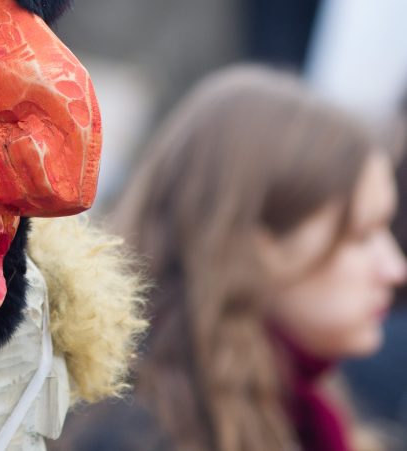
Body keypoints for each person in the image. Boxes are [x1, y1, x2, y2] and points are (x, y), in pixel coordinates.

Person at [60, 65, 407, 451]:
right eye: (361, 236)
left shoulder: (302, 407)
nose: (395, 269)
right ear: (258, 242)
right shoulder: (132, 432)